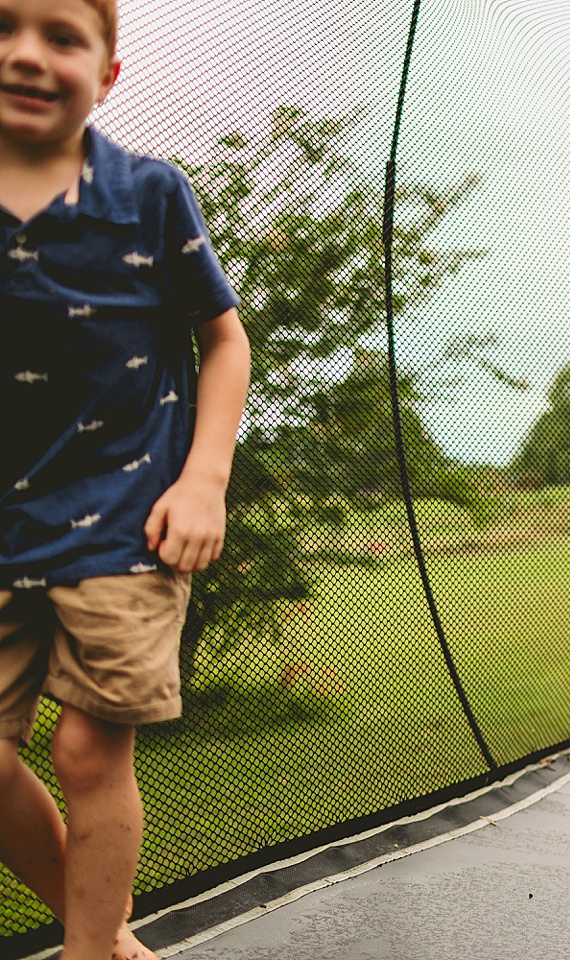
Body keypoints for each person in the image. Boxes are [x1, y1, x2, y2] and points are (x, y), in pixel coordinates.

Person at [0, 0, 251, 957]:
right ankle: (98, 932)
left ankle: (88, 952)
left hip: (126, 520)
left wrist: (203, 483)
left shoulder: (148, 196)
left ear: (106, 73)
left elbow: (223, 341)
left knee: (86, 748)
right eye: (4, 27)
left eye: (61, 36)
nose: (27, 53)